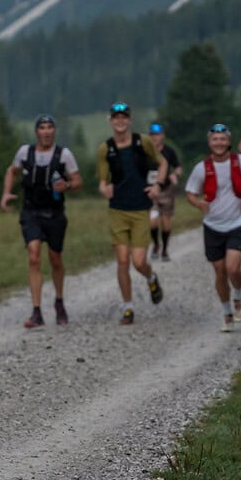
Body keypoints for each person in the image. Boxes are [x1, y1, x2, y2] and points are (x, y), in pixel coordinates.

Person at [0, 114, 83, 327]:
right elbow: (11, 170)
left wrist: (67, 186)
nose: (46, 132)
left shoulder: (64, 155)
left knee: (55, 259)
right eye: (42, 128)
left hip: (55, 213)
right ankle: (36, 311)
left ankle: (59, 302)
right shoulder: (24, 153)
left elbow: (77, 180)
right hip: (31, 212)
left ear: (54, 131)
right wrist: (6, 193)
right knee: (34, 255)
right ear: (36, 132)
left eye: (49, 127)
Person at [186, 123, 241, 332]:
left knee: (233, 268)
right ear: (209, 143)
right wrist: (198, 204)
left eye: (223, 139)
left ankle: (238, 295)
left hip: (236, 224)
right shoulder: (201, 168)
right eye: (215, 139)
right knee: (220, 272)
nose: (219, 143)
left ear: (229, 142)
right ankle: (227, 313)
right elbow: (190, 193)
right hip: (212, 226)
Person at [94, 102, 167, 325]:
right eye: (116, 117)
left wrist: (157, 185)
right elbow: (103, 181)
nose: (120, 121)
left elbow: (162, 163)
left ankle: (151, 277)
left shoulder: (142, 141)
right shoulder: (105, 148)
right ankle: (128, 307)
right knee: (123, 261)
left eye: (124, 117)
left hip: (140, 208)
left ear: (129, 120)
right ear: (110, 121)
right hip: (118, 209)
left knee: (138, 261)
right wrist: (104, 189)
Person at [148, 123, 181, 261]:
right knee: (153, 222)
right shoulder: (145, 151)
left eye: (157, 134)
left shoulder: (169, 151)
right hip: (150, 191)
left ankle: (165, 250)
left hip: (166, 190)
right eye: (152, 135)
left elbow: (178, 167)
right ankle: (156, 244)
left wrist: (175, 175)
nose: (155, 137)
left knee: (165, 221)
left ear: (162, 136)